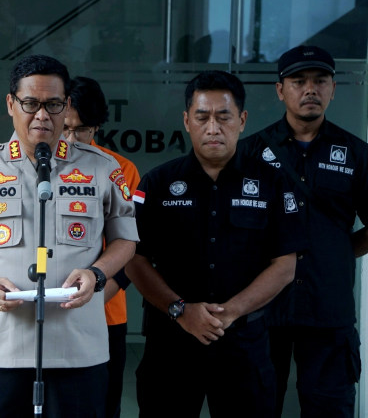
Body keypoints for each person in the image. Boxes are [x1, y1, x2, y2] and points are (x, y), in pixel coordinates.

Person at [0, 54, 138, 418]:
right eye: (30, 103)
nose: (42, 115)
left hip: (78, 348)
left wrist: (96, 274)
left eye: (53, 104)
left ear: (67, 106)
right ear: (11, 103)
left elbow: (126, 239)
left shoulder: (102, 168)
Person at [126, 70, 302, 417]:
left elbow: (285, 264)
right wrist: (181, 310)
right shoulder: (158, 183)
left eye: (224, 117)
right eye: (202, 117)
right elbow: (134, 258)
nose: (213, 127)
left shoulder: (272, 183)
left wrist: (232, 311)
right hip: (171, 341)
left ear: (242, 120)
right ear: (187, 120)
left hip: (244, 343)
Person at [238, 45, 368, 417]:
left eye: (319, 80)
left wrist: (338, 251)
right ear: (281, 90)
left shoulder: (357, 154)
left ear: (333, 88)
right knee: (254, 405)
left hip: (329, 308)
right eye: (298, 81)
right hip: (262, 306)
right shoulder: (249, 152)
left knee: (330, 407)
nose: (309, 89)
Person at [63, 75, 140, 418]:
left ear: (96, 128)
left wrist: (94, 300)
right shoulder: (38, 167)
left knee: (103, 406)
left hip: (106, 315)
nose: (71, 138)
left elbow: (132, 249)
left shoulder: (121, 170)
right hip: (49, 314)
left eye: (82, 130)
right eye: (65, 127)